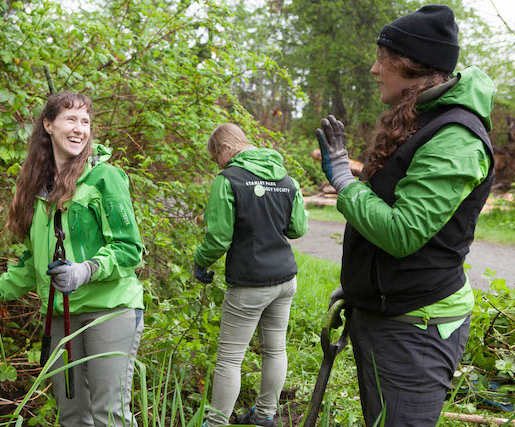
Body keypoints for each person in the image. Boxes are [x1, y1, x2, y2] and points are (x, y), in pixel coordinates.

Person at [316, 5, 495, 426]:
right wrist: (360, 289)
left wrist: (344, 179)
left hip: (417, 325)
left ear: (411, 65)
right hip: (387, 312)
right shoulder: (422, 119)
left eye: (383, 58)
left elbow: (402, 232)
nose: (374, 69)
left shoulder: (455, 137)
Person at [0, 91, 145, 427]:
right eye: (71, 119)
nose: (79, 128)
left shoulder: (104, 177)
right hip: (59, 315)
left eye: (85, 121)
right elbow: (32, 262)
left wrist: (84, 271)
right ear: (48, 125)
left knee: (108, 415)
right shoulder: (39, 186)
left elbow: (129, 249)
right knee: (72, 416)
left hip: (110, 310)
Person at [193, 123, 308, 426]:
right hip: (285, 279)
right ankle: (265, 416)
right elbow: (298, 228)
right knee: (275, 350)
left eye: (215, 156)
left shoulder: (228, 179)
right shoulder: (286, 179)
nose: (217, 163)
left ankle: (216, 422)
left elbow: (218, 238)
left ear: (225, 148)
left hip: (249, 282)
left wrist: (200, 261)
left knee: (230, 358)